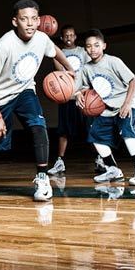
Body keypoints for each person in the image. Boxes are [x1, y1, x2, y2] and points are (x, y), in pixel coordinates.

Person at [0, 0, 74, 201]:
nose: (29, 23)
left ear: (39, 21)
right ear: (15, 21)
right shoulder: (4, 45)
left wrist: (69, 69)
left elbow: (55, 51)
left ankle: (42, 178)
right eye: (23, 19)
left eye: (33, 19)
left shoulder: (42, 38)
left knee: (39, 126)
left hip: (25, 91)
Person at [75, 29, 135, 187]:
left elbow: (133, 81)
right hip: (108, 106)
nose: (93, 49)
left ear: (104, 46)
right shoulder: (86, 68)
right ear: (85, 49)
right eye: (89, 46)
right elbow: (81, 88)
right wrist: (78, 94)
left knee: (126, 130)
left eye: (96, 45)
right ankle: (112, 169)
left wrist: (126, 105)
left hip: (128, 100)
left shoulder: (113, 61)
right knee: (95, 135)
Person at [47, 24, 90, 176]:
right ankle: (60, 161)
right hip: (67, 97)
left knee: (92, 129)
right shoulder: (60, 53)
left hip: (84, 97)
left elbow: (89, 69)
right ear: (61, 38)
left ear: (75, 36)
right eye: (66, 35)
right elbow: (60, 72)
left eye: (71, 35)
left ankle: (102, 159)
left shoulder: (83, 52)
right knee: (63, 131)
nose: (69, 38)